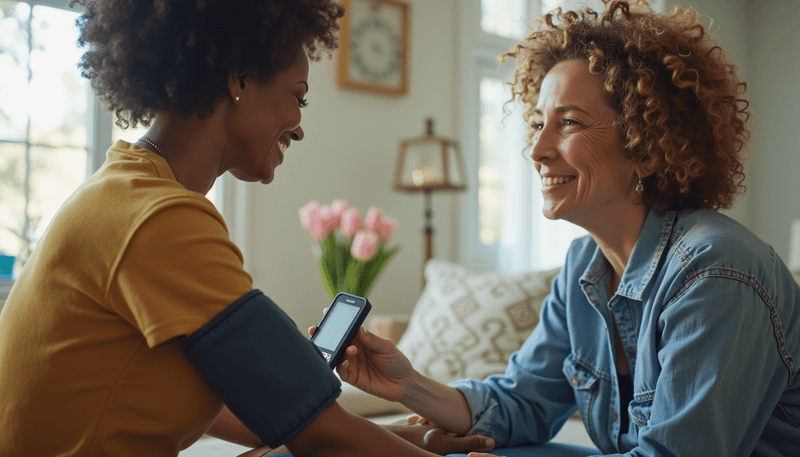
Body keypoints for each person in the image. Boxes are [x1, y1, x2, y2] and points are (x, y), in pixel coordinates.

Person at [0, 1, 499, 456]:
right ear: (239, 78)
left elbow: (272, 417)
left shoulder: (123, 191)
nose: (299, 126)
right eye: (298, 98)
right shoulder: (159, 219)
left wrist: (415, 438)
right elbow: (319, 434)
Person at [324, 1, 800, 456]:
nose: (537, 150)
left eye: (568, 123)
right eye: (537, 123)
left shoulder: (715, 272)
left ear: (647, 147)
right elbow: (521, 403)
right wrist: (408, 384)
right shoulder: (582, 267)